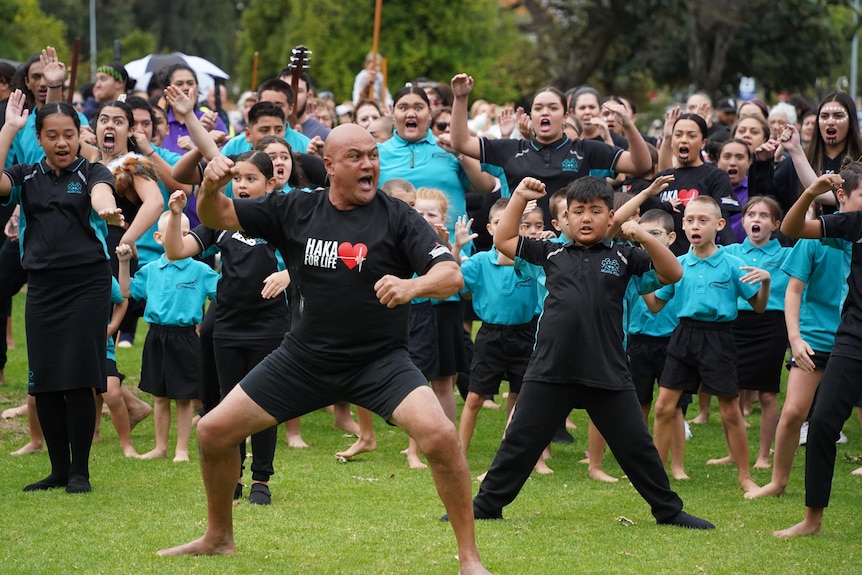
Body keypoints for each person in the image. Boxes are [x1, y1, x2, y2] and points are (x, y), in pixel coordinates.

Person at [155, 124, 492, 575]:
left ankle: (469, 559)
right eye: (356, 156)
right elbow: (218, 217)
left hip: (380, 362)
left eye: (373, 155)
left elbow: (450, 275)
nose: (369, 164)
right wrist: (211, 186)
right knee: (213, 431)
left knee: (441, 437)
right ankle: (218, 537)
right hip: (303, 359)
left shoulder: (396, 216)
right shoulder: (295, 207)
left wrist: (413, 285)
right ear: (330, 166)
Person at [457, 175, 712, 530]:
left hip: (607, 371)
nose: (586, 218)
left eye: (596, 211)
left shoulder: (625, 256)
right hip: (549, 370)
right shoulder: (549, 252)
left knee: (637, 447)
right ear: (563, 220)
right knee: (519, 442)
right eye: (578, 212)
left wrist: (640, 236)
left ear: (611, 218)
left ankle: (668, 511)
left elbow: (673, 272)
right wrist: (517, 196)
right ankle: (486, 505)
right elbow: (503, 239)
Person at [0, 90, 124, 493]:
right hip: (43, 289)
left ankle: (80, 472)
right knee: (45, 381)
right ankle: (57, 469)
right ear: (39, 138)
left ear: (78, 135)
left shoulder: (92, 173)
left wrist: (105, 208)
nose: (62, 143)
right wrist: (8, 128)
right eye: (52, 135)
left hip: (86, 285)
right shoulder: (25, 175)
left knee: (77, 379)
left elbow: (102, 193)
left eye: (69, 134)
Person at [163, 151, 290, 504]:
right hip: (228, 328)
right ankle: (232, 474)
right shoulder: (220, 222)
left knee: (264, 405)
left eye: (252, 179)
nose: (243, 186)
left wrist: (287, 274)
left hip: (269, 328)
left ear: (270, 183)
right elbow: (176, 251)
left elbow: (312, 258)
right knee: (229, 404)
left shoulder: (282, 221)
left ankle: (261, 480)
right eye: (238, 179)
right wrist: (175, 217)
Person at [745, 162, 862, 500]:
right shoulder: (817, 237)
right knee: (795, 411)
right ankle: (778, 481)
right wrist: (795, 339)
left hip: (851, 339)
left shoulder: (851, 235)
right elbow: (793, 290)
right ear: (840, 195)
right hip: (816, 337)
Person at [643, 196, 770, 493]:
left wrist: (765, 281)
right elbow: (655, 305)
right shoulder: (677, 265)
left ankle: (744, 477)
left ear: (719, 225)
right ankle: (658, 477)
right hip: (683, 335)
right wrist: (638, 282)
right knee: (663, 407)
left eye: (702, 220)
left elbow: (760, 306)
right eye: (689, 220)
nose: (695, 226)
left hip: (719, 338)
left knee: (729, 411)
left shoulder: (733, 264)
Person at [774, 171, 862, 537]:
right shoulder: (855, 223)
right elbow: (793, 230)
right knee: (823, 422)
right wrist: (811, 191)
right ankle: (812, 520)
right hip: (853, 338)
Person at [450, 74, 651, 231]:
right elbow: (460, 142)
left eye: (553, 108)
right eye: (538, 108)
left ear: (565, 117)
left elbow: (640, 165)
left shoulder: (586, 150)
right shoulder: (510, 149)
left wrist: (628, 125)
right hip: (519, 248)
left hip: (571, 249)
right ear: (532, 116)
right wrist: (461, 98)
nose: (545, 112)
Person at [117, 211, 219, 462]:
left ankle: (181, 449)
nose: (180, 239)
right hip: (156, 337)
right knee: (160, 395)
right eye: (174, 234)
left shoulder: (200, 270)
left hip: (185, 337)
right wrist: (123, 263)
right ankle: (160, 447)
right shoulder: (151, 269)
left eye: (186, 234)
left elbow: (223, 293)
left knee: (184, 398)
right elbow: (125, 292)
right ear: (159, 237)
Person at [455, 198, 540, 455]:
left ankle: (508, 453)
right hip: (490, 335)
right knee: (474, 397)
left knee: (519, 396)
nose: (509, 227)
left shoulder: (532, 260)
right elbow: (455, 281)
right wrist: (456, 248)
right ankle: (458, 453)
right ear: (491, 228)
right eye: (499, 222)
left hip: (525, 333)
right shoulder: (480, 261)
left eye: (517, 224)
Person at [721, 197, 790, 469]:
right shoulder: (729, 252)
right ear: (744, 221)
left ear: (775, 224)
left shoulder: (786, 254)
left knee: (768, 393)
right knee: (731, 392)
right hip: (735, 324)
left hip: (770, 325)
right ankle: (733, 453)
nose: (756, 220)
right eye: (751, 214)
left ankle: (763, 455)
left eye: (764, 216)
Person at [623, 207, 691, 480]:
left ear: (671, 237)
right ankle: (640, 465)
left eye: (655, 234)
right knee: (639, 405)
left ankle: (677, 465)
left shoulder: (676, 266)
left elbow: (654, 305)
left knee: (674, 408)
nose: (646, 239)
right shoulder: (632, 263)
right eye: (642, 234)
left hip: (671, 342)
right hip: (638, 341)